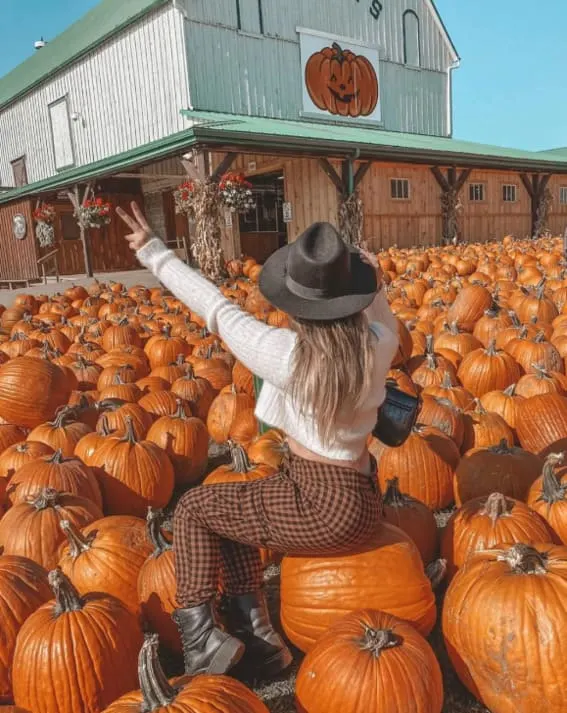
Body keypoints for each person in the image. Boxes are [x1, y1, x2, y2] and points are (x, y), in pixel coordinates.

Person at [117, 203, 399, 679]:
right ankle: (258, 639)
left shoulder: (287, 355)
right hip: (363, 501)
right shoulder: (376, 345)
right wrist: (375, 285)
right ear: (350, 299)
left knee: (193, 510)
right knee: (240, 509)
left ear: (298, 302)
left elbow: (216, 307)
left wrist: (155, 253)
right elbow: (387, 322)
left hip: (317, 503)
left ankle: (203, 640)